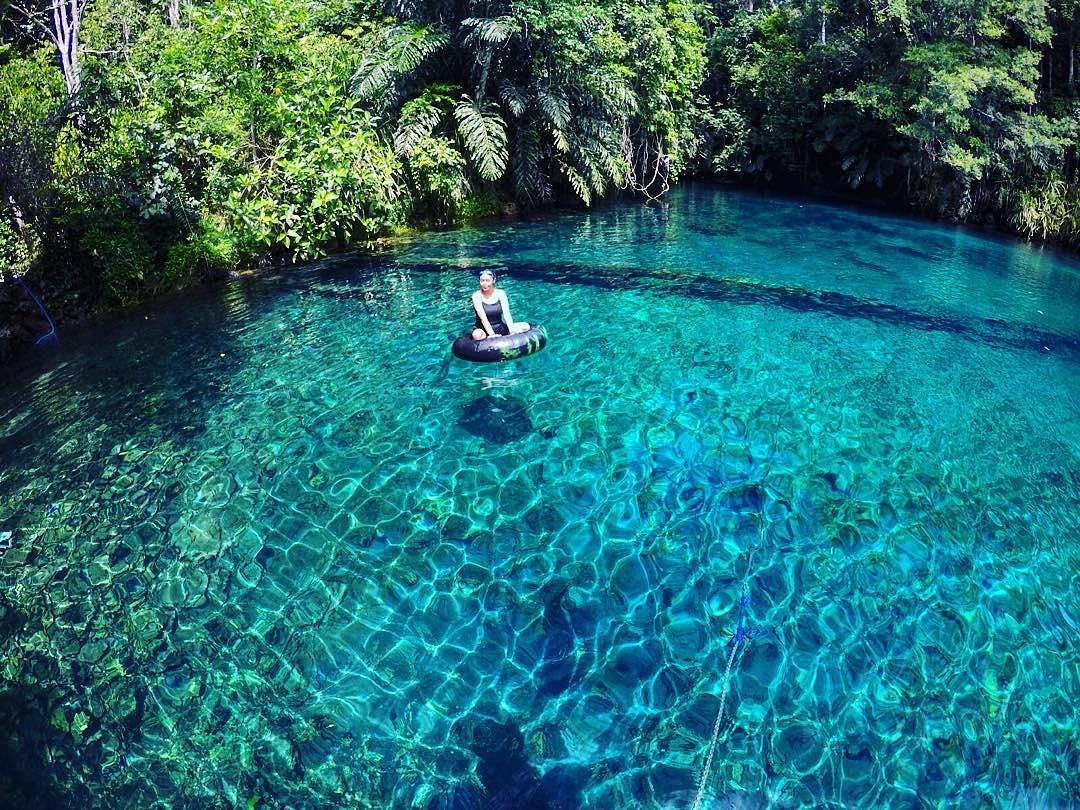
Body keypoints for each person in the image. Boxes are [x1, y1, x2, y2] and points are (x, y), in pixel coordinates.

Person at [471, 269, 530, 340]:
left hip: (499, 326)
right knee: (477, 335)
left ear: (493, 280)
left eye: (487, 281)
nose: (484, 283)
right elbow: (483, 319)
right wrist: (492, 334)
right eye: (482, 281)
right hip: (483, 329)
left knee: (525, 326)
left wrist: (512, 331)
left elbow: (506, 313)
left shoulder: (501, 294)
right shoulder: (476, 296)